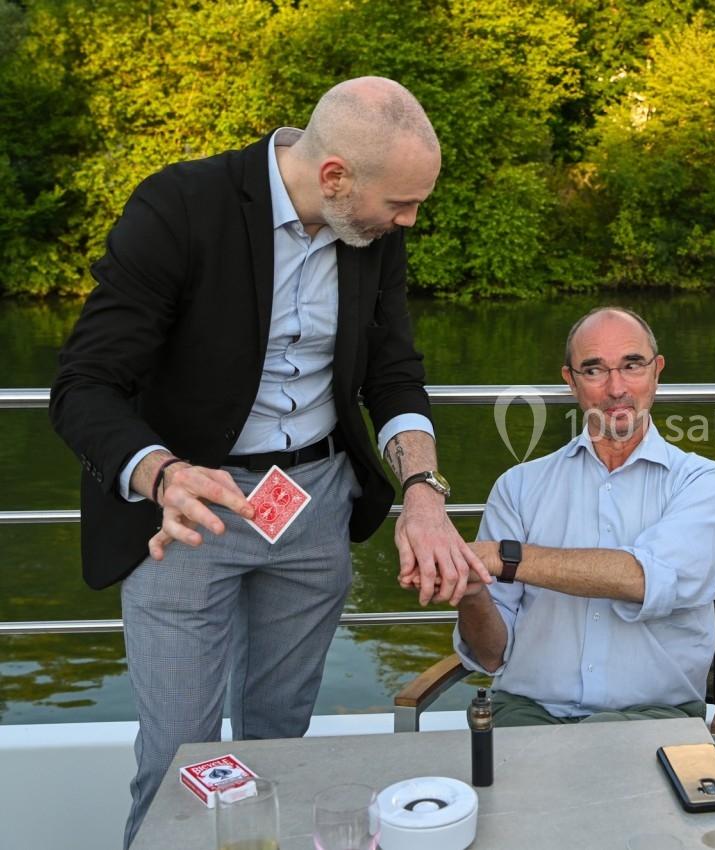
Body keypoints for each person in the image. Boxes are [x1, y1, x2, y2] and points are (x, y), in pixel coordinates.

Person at [48, 77, 488, 847]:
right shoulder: (180, 208)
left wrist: (422, 490)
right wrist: (164, 475)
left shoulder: (371, 231)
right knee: (180, 762)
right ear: (334, 176)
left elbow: (393, 371)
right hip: (189, 510)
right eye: (402, 204)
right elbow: (84, 385)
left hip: (314, 502)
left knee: (280, 743)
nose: (411, 221)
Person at [451, 306, 715, 725]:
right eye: (594, 370)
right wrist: (471, 591)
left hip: (653, 716)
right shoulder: (518, 486)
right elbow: (491, 656)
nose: (615, 387)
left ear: (657, 372)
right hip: (528, 713)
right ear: (570, 381)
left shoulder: (704, 482)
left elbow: (643, 580)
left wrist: (504, 556)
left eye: (632, 365)